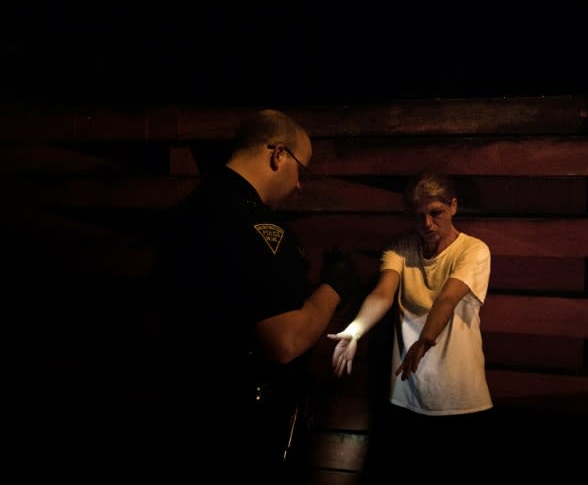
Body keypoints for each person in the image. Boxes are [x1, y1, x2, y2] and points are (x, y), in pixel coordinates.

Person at [151, 108, 359, 484]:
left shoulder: (184, 213)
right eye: (302, 169)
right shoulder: (260, 229)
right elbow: (285, 340)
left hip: (183, 417)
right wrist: (334, 287)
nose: (299, 185)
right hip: (244, 434)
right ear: (278, 155)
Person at [327, 170, 494, 482]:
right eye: (419, 216)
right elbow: (382, 294)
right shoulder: (402, 247)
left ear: (453, 207)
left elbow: (446, 299)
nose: (427, 224)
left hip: (460, 398)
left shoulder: (473, 250)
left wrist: (425, 340)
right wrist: (355, 330)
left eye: (436, 213)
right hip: (406, 394)